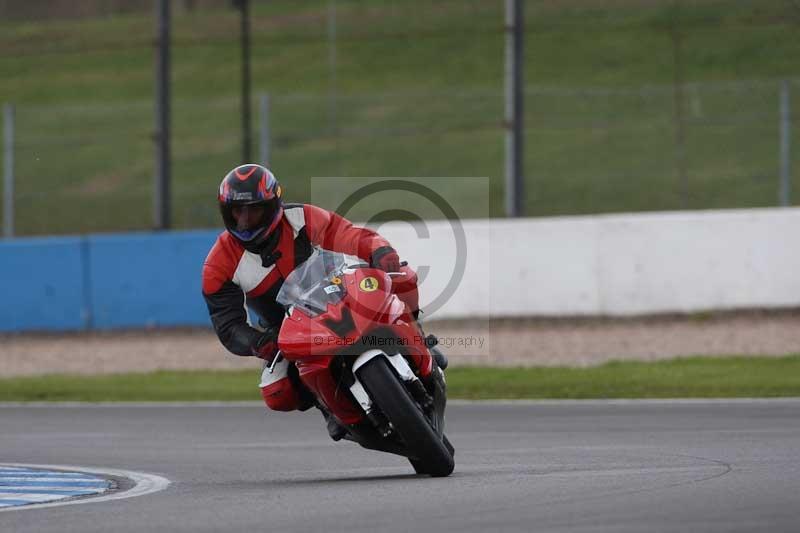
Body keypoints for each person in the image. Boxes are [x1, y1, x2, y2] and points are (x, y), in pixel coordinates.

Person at [202, 164, 445, 438]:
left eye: (254, 210)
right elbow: (228, 325)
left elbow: (350, 236)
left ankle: (418, 337)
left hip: (337, 293)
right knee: (278, 392)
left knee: (402, 277)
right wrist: (259, 343)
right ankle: (327, 405)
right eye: (238, 212)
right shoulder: (218, 265)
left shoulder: (302, 218)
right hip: (289, 329)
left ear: (272, 206)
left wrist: (381, 253)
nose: (245, 220)